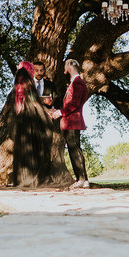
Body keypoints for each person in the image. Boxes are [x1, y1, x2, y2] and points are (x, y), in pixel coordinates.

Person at [11, 62, 54, 188]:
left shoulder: (17, 84)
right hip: (29, 119)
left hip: (19, 120)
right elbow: (34, 102)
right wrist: (46, 114)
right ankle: (32, 179)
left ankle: (21, 180)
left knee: (22, 150)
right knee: (33, 149)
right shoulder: (28, 83)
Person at [51, 59, 89, 190]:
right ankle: (82, 179)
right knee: (74, 149)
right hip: (69, 121)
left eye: (65, 66)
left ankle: (82, 179)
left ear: (70, 68)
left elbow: (74, 103)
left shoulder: (78, 83)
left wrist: (60, 112)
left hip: (73, 121)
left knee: (75, 149)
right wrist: (57, 111)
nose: (64, 69)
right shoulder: (74, 83)